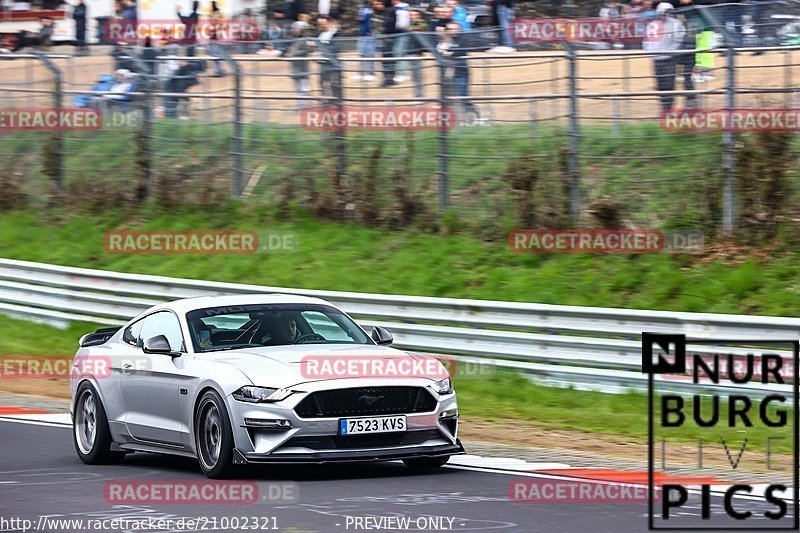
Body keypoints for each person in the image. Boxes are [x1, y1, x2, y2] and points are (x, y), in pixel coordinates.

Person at [643, 2, 685, 112]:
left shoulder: (676, 24)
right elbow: (646, 40)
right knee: (660, 84)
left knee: (669, 84)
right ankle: (664, 108)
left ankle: (668, 108)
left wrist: (670, 52)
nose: (666, 14)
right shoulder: (652, 25)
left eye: (668, 12)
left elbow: (679, 39)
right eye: (664, 12)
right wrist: (651, 53)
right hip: (657, 59)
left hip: (669, 59)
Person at [438, 21, 478, 121]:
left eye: (456, 29)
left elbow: (462, 49)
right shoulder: (443, 42)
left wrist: (451, 53)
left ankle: (473, 116)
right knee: (447, 98)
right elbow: (439, 51)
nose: (454, 31)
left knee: (462, 95)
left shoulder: (463, 39)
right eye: (451, 29)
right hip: (447, 74)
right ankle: (450, 119)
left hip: (461, 73)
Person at [286, 20, 312, 107]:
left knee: (304, 86)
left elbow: (307, 50)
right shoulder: (295, 40)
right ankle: (300, 104)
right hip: (295, 66)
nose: (294, 30)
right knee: (298, 86)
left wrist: (293, 54)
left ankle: (305, 104)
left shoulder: (305, 39)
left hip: (302, 66)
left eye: (296, 29)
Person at [317, 15, 342, 101]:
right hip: (323, 63)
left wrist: (323, 48)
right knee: (323, 84)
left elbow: (337, 47)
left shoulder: (335, 34)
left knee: (335, 84)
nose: (321, 26)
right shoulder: (321, 35)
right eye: (319, 24)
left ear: (329, 22)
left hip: (332, 63)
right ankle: (326, 103)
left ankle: (337, 103)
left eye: (322, 23)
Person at [354, 0, 376, 80]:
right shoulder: (362, 7)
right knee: (362, 53)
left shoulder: (368, 9)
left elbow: (363, 19)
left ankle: (371, 73)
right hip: (362, 33)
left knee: (369, 53)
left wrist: (369, 30)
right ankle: (362, 72)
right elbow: (359, 18)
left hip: (368, 34)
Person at [392, 0, 410, 83]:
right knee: (399, 53)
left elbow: (402, 24)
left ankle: (402, 74)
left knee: (399, 53)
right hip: (400, 34)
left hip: (401, 34)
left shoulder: (400, 9)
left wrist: (395, 28)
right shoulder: (404, 8)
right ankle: (401, 73)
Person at [207, 1, 225, 77]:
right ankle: (219, 69)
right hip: (215, 37)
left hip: (213, 37)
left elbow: (212, 25)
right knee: (216, 54)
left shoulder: (213, 15)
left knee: (215, 54)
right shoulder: (218, 14)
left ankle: (219, 70)